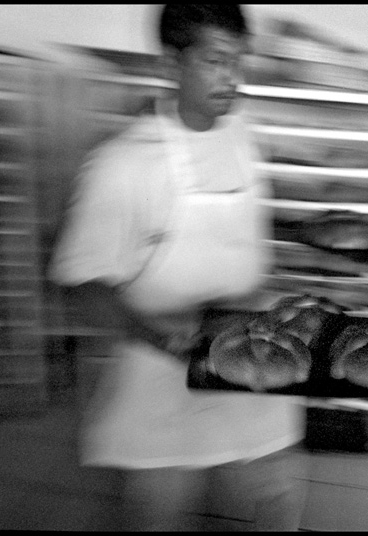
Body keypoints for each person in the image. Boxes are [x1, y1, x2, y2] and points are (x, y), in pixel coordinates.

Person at [49, 5, 307, 531]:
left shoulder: (243, 138)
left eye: (239, 61)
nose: (232, 78)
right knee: (157, 512)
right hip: (162, 374)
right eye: (216, 61)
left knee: (278, 498)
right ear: (172, 63)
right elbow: (79, 283)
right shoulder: (123, 164)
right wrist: (156, 332)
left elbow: (245, 246)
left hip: (249, 361)